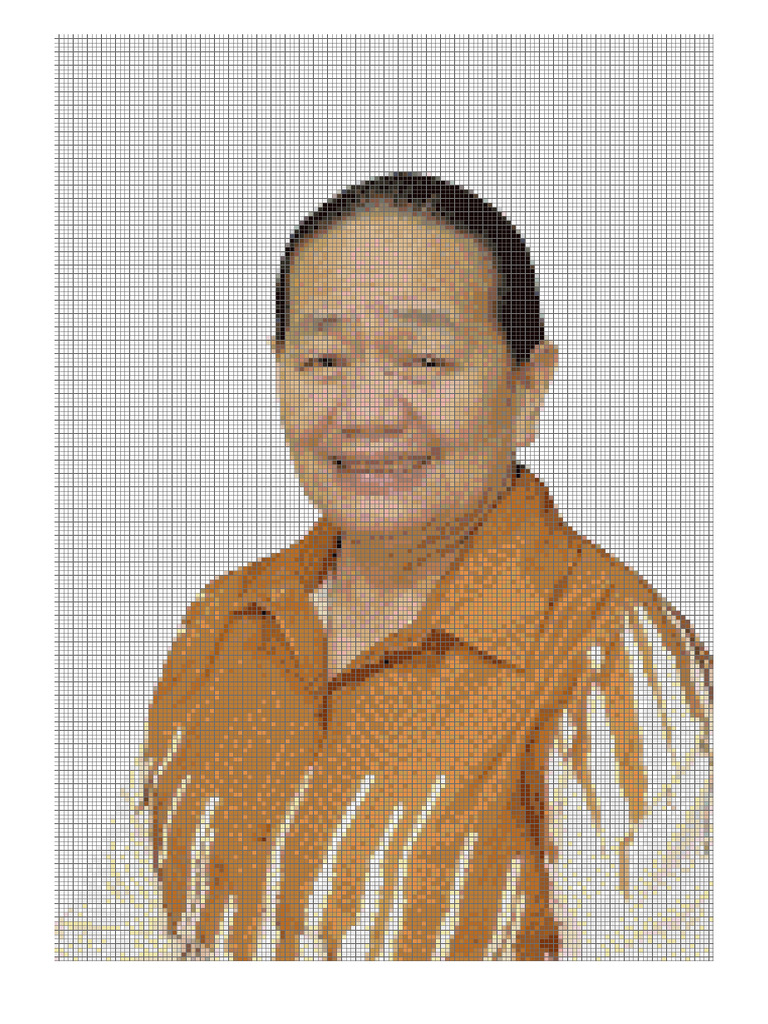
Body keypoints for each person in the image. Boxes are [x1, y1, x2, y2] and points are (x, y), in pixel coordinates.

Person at [143, 172, 712, 960]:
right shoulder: (225, 620)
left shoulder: (613, 656)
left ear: (527, 389)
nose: (367, 412)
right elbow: (116, 933)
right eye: (324, 361)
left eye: (426, 360)